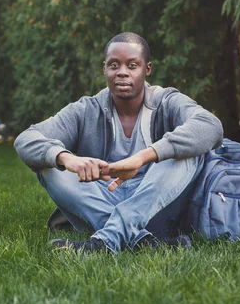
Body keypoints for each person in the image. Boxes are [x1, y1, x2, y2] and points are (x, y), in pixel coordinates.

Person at [14, 32, 223, 253]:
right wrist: (66, 159)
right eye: (114, 65)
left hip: (154, 206)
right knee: (50, 164)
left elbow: (210, 125)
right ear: (105, 69)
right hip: (101, 202)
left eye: (132, 65)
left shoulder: (166, 101)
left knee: (186, 153)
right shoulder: (87, 109)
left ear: (147, 69)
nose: (122, 72)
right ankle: (142, 242)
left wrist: (143, 157)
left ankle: (103, 242)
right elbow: (26, 139)